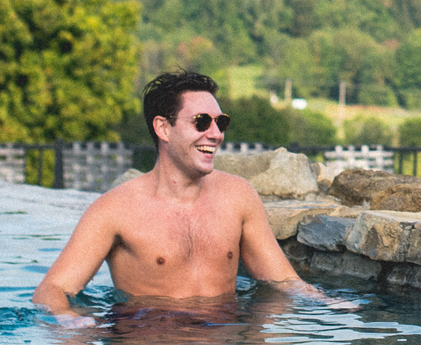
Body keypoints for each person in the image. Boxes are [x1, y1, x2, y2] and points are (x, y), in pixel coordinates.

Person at [34, 70, 319, 324]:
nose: (216, 134)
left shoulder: (239, 196)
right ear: (163, 128)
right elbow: (51, 290)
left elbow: (283, 281)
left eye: (221, 122)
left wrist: (331, 306)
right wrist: (68, 320)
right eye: (201, 122)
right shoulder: (114, 211)